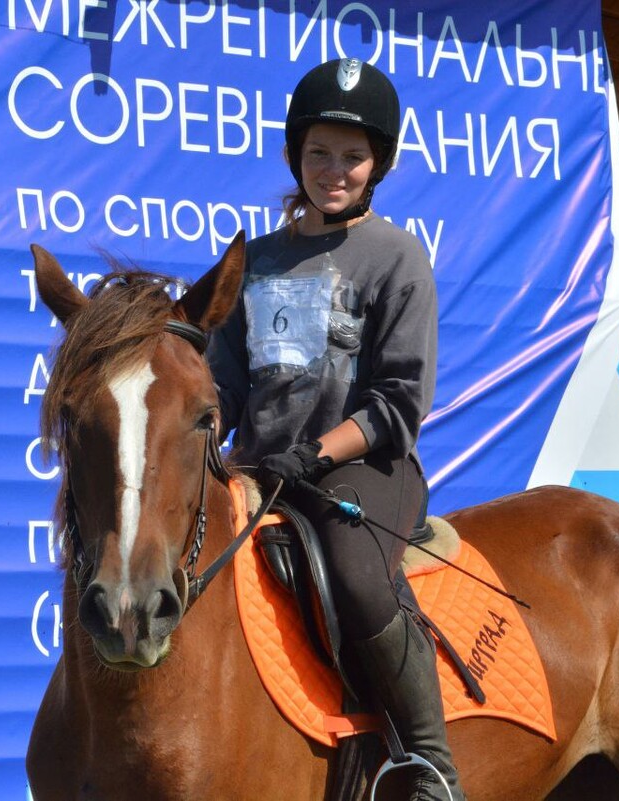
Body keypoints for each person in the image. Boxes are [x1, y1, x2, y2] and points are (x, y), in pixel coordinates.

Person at [206, 59, 463, 800]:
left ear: (377, 161)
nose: (334, 169)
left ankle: (429, 766)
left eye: (352, 155)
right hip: (261, 469)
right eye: (319, 152)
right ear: (296, 155)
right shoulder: (256, 261)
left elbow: (398, 404)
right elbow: (222, 385)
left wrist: (313, 454)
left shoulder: (396, 257)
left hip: (363, 468)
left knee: (353, 571)